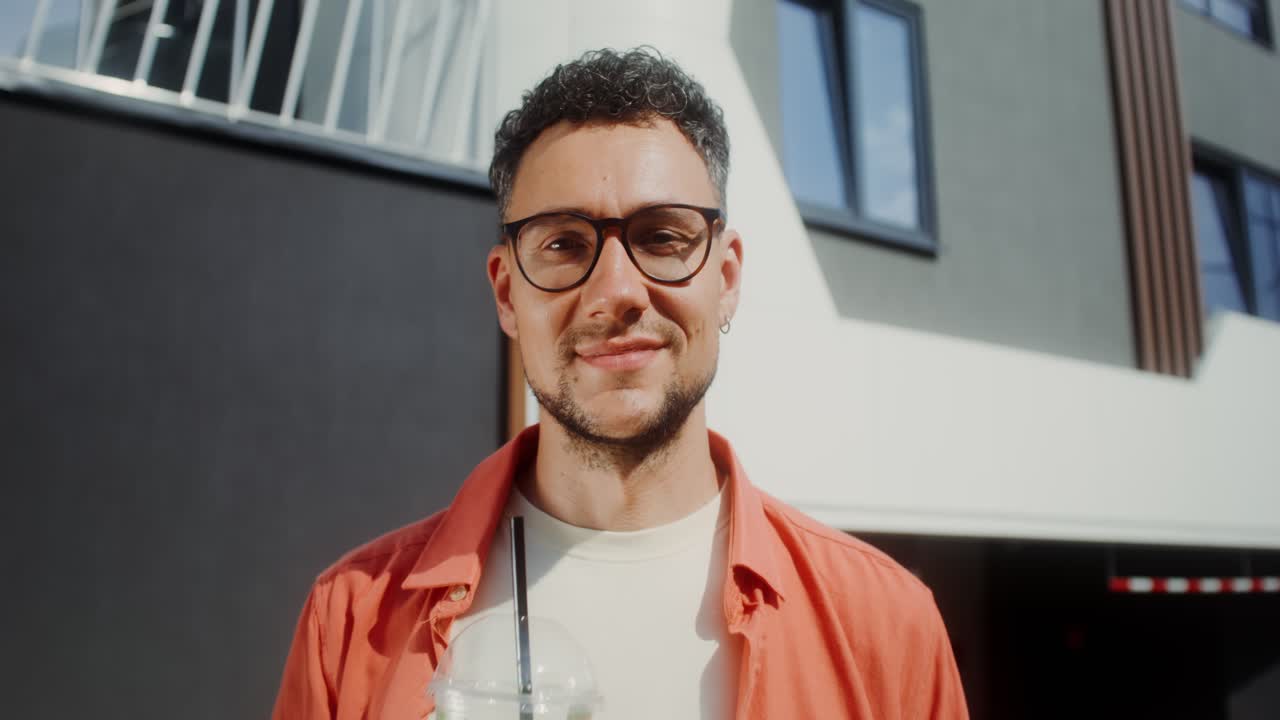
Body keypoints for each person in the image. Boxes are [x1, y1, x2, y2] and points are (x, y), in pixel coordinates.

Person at [272, 47, 968, 720]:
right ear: (508, 294)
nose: (616, 290)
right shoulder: (350, 619)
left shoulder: (887, 628)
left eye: (662, 237)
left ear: (725, 280)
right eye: (564, 243)